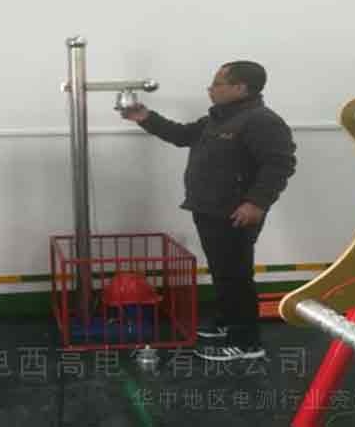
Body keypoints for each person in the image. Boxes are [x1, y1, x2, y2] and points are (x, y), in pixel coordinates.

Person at [121, 61, 296, 361]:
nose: (210, 89)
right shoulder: (218, 118)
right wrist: (145, 117)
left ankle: (246, 343)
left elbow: (280, 164)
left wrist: (256, 202)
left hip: (235, 212)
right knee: (223, 271)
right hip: (209, 208)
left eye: (217, 83)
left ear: (240, 88)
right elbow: (181, 135)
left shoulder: (261, 121)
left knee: (235, 275)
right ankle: (228, 321)